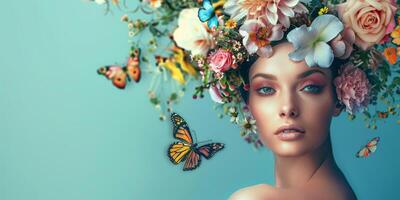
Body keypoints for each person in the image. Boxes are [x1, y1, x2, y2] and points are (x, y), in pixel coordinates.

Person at [229, 42, 357, 200]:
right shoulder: (341, 192)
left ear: (339, 98)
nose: (287, 107)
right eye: (266, 89)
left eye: (310, 87)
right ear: (248, 105)